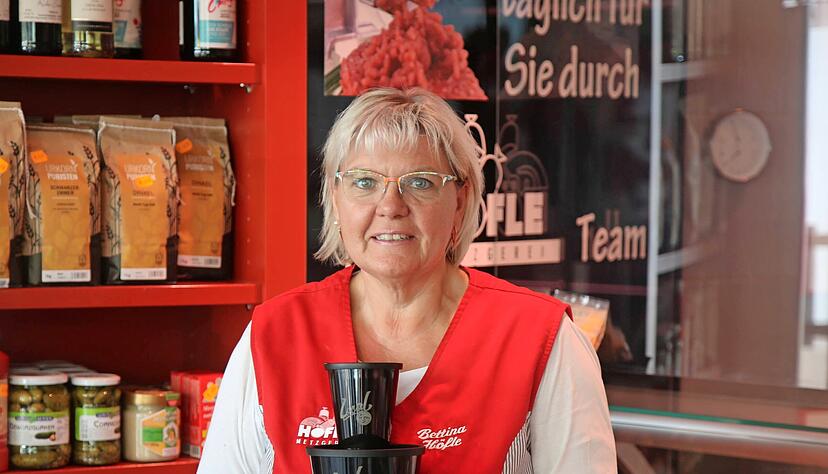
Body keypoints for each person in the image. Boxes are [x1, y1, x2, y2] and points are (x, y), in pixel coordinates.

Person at [198, 88, 617, 473]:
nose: (390, 206)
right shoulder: (275, 334)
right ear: (334, 197)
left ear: (461, 200)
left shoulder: (541, 339)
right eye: (364, 182)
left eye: (420, 183)